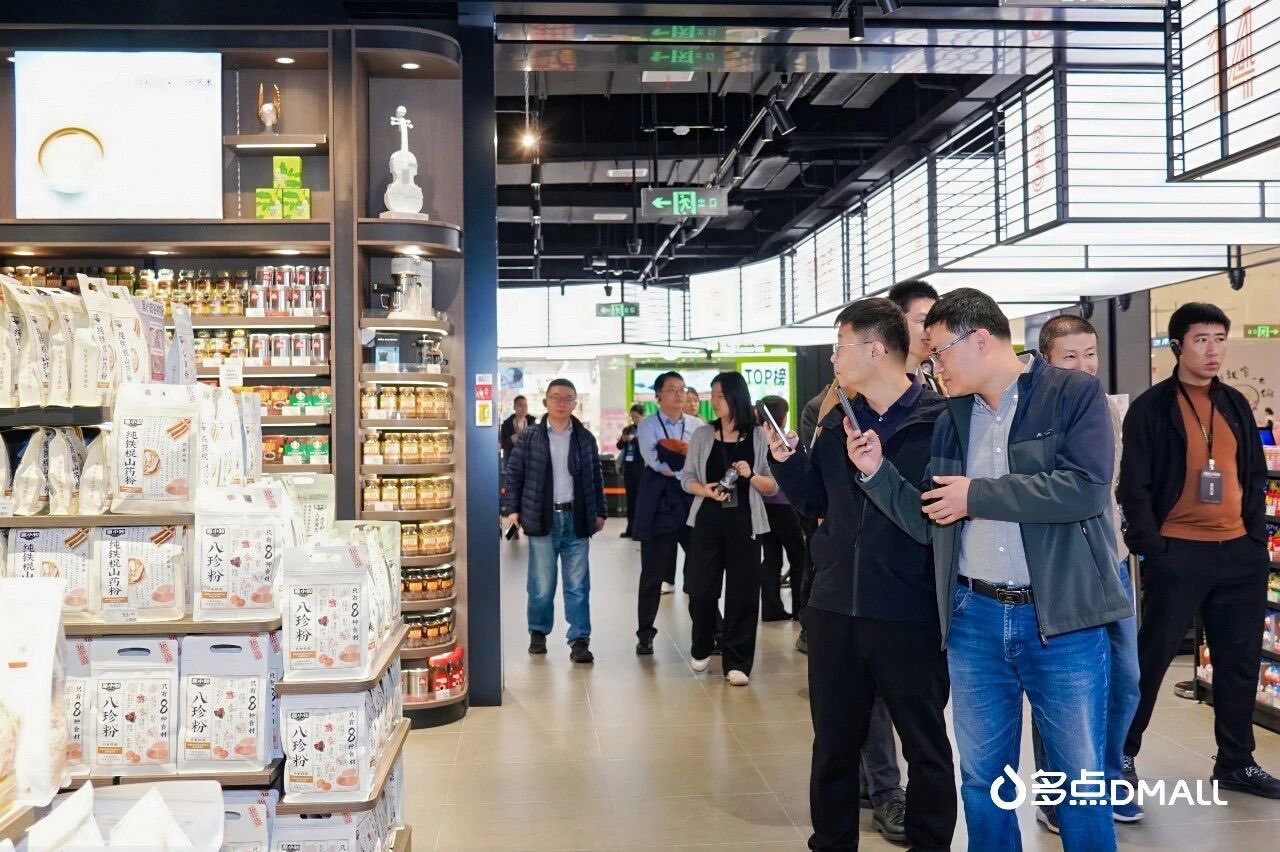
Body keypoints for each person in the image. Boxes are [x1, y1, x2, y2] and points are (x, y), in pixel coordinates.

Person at [848, 287, 1130, 852]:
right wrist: (878, 474)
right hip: (974, 618)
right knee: (982, 781)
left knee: (1079, 782)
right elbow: (933, 518)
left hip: (1062, 619)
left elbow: (1084, 489)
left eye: (939, 352)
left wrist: (977, 495)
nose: (934, 366)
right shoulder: (952, 418)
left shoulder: (1071, 394)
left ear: (979, 340)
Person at [767, 297, 955, 852]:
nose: (832, 359)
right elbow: (816, 502)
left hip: (907, 610)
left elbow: (935, 519)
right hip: (834, 607)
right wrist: (787, 463)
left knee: (924, 744)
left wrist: (880, 471)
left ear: (876, 351)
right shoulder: (836, 419)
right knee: (833, 745)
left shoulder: (939, 423)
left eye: (840, 347)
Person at [1119, 302, 1280, 798]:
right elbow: (1134, 486)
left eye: (1219, 339)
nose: (1213, 350)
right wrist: (1154, 549)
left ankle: (1236, 761)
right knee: (1152, 658)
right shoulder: (1152, 408)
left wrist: (1255, 540)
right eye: (1201, 340)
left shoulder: (1234, 403)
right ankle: (1120, 755)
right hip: (1179, 553)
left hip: (1239, 553)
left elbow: (1253, 474)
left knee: (1239, 661)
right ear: (1178, 346)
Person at [1033, 314, 1143, 830]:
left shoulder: (1110, 409)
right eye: (1070, 356)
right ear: (1046, 361)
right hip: (1064, 570)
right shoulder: (1033, 414)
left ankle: (1111, 774)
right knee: (1060, 686)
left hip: (1112, 560)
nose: (1085, 365)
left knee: (1126, 678)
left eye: (1091, 354)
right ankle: (1056, 792)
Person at [501, 379, 608, 664]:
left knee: (578, 585)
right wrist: (512, 509)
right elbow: (514, 474)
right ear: (545, 401)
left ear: (575, 403)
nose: (561, 403)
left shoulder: (585, 438)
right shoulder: (530, 437)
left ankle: (580, 640)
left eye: (567, 398)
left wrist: (600, 511)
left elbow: (596, 477)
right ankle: (538, 633)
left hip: (577, 519)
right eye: (556, 397)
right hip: (542, 517)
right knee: (541, 584)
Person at [681, 371, 778, 685]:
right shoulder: (702, 435)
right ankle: (702, 644)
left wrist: (751, 475)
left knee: (743, 593)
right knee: (701, 589)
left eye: (720, 395)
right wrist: (706, 491)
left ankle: (738, 662)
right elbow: (687, 479)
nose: (714, 401)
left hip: (746, 523)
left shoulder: (758, 436)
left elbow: (771, 486)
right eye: (712, 394)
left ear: (737, 397)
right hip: (707, 520)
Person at [632, 371, 708, 654]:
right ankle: (645, 634)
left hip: (692, 502)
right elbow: (655, 461)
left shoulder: (698, 426)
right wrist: (686, 466)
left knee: (700, 570)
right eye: (672, 389)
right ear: (658, 396)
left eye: (682, 389)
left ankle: (710, 630)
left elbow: (702, 460)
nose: (679, 394)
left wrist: (680, 460)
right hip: (660, 503)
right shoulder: (648, 426)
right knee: (652, 573)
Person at [756, 396, 802, 622]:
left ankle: (770, 609)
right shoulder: (785, 438)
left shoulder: (754, 438)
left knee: (771, 558)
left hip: (762, 506)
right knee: (799, 556)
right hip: (784, 505)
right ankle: (800, 609)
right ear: (782, 416)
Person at [885, 279, 943, 394]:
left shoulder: (933, 386)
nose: (930, 329)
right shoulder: (867, 386)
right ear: (895, 322)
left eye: (935, 322)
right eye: (923, 321)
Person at [500, 395, 538, 539]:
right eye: (520, 405)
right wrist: (513, 438)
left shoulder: (533, 422)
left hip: (530, 465)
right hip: (512, 464)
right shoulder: (507, 424)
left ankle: (529, 529)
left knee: (528, 497)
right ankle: (512, 531)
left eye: (525, 405)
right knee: (512, 497)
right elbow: (503, 443)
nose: (523, 408)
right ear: (515, 407)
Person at [617, 403, 647, 538]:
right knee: (630, 500)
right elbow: (619, 446)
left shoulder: (647, 430)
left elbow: (647, 446)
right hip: (629, 469)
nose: (634, 419)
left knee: (641, 501)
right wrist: (623, 440)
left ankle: (640, 529)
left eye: (637, 417)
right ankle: (630, 529)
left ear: (643, 416)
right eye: (632, 417)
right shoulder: (628, 429)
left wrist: (634, 440)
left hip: (641, 469)